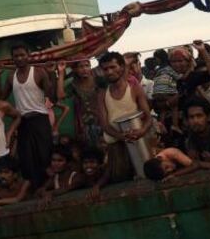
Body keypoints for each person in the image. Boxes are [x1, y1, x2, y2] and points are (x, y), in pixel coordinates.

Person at [0, 44, 55, 188]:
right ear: (13, 58)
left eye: (22, 55)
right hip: (22, 122)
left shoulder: (39, 72)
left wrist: (52, 74)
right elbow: (0, 98)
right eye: (16, 56)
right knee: (27, 158)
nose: (19, 58)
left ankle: (49, 187)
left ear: (28, 55)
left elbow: (52, 97)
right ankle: (34, 189)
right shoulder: (11, 76)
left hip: (40, 120)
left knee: (45, 154)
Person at [95, 51, 152, 182]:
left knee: (146, 177)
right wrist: (121, 136)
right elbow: (104, 124)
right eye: (105, 69)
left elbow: (148, 117)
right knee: (121, 180)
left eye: (112, 67)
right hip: (116, 148)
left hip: (139, 143)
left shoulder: (135, 88)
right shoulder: (102, 94)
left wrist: (142, 131)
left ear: (121, 67)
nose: (109, 72)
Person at [171, 99, 210, 176]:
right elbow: (192, 164)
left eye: (199, 116)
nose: (195, 121)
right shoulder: (191, 137)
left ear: (208, 117)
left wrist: (201, 164)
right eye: (191, 117)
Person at [56, 59, 102, 150]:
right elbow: (60, 95)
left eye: (87, 66)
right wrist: (61, 72)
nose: (84, 69)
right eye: (81, 66)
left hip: (101, 122)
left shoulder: (99, 81)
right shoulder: (74, 84)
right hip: (83, 126)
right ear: (75, 69)